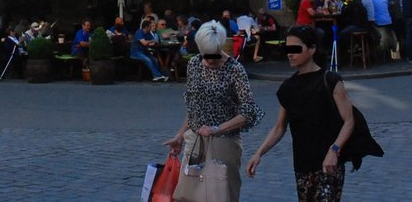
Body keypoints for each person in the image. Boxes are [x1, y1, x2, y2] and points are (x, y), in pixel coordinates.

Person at [247, 25, 383, 201]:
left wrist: (334, 150)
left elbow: (349, 121)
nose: (290, 54)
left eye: (296, 49)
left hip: (329, 164)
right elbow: (280, 127)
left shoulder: (330, 80)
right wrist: (259, 153)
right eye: (288, 49)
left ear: (312, 49)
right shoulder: (288, 87)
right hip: (303, 163)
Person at [164, 21, 264, 201]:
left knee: (222, 194)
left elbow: (249, 111)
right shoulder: (194, 64)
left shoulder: (235, 70)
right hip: (195, 140)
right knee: (190, 195)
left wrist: (218, 128)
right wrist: (180, 136)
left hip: (224, 141)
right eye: (205, 54)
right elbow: (194, 107)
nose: (209, 60)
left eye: (214, 54)